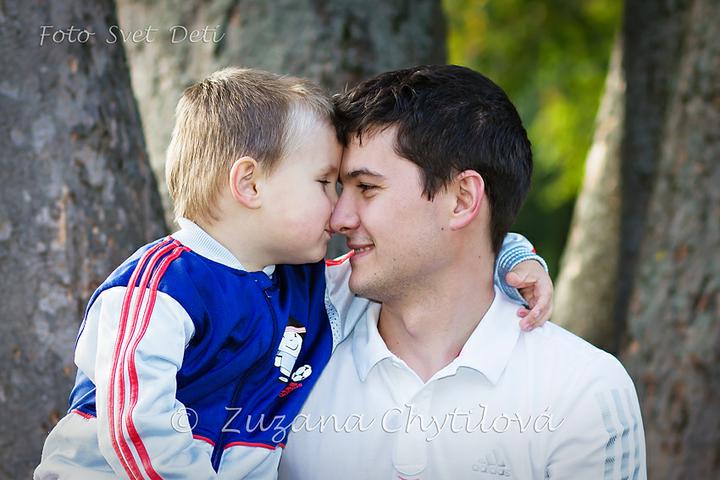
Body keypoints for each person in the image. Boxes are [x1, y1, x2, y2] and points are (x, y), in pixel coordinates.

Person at [35, 67, 552, 479]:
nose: (339, 211)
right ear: (250, 184)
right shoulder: (158, 286)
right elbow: (133, 428)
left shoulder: (307, 289)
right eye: (326, 182)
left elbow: (432, 262)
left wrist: (510, 255)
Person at [279, 65, 646, 480]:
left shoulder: (581, 390)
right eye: (337, 188)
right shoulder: (286, 340)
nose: (339, 218)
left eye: (366, 187)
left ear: (462, 199)